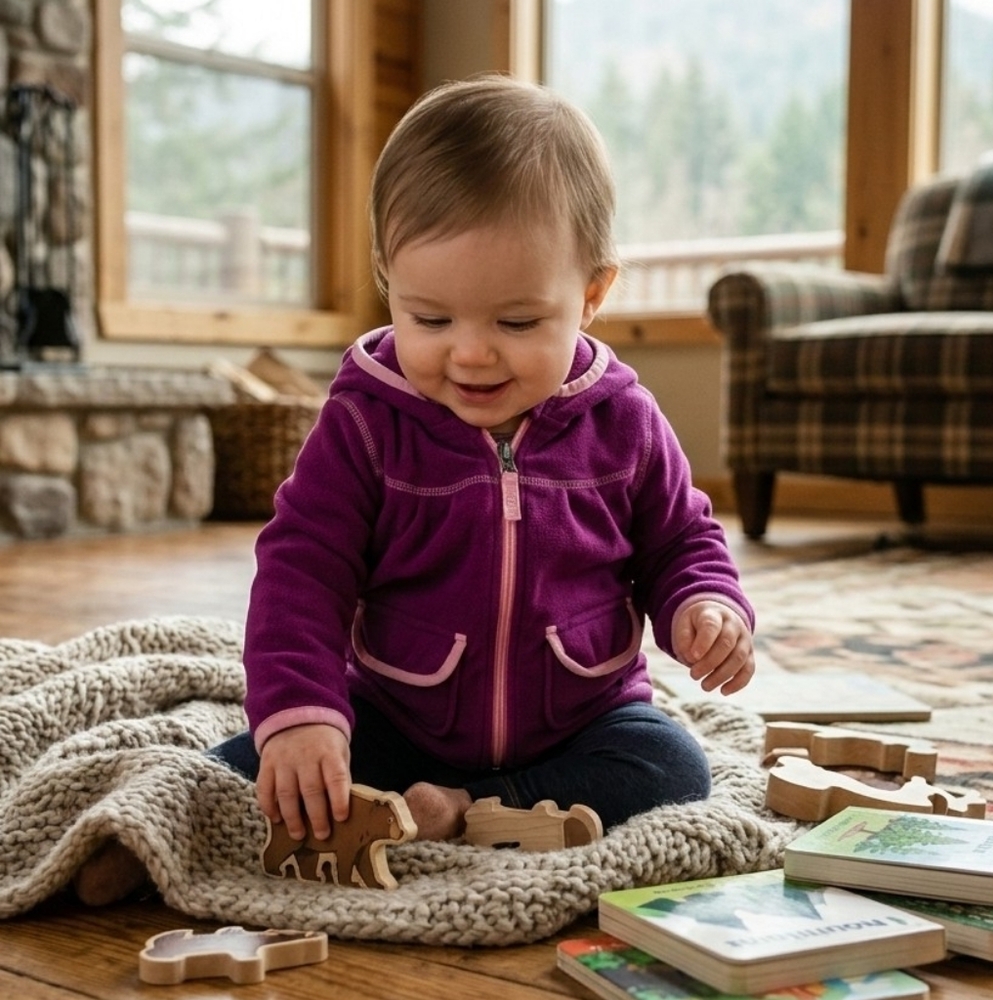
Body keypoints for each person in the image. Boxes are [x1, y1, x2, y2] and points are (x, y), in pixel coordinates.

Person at [74, 74, 754, 904]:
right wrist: (303, 714)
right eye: (430, 319)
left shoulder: (626, 423)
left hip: (581, 721)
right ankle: (148, 835)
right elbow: (303, 572)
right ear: (388, 281)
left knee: (674, 766)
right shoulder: (366, 423)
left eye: (516, 323)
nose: (470, 354)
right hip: (400, 719)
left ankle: (467, 811)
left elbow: (682, 539)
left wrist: (703, 606)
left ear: (591, 296)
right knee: (275, 764)